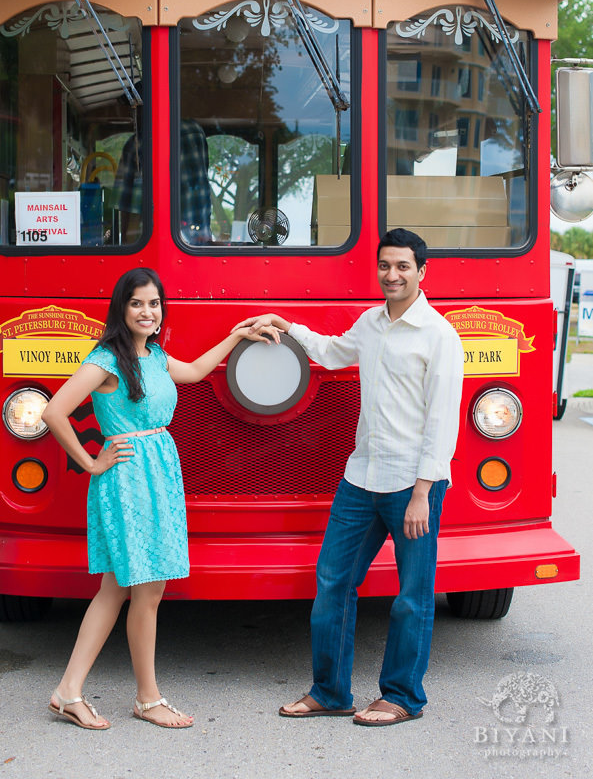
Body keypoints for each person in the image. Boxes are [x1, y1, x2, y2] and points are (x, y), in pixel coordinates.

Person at [234, 228, 464, 726]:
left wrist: (424, 492)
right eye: (385, 265)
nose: (392, 274)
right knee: (333, 581)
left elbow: (442, 420)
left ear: (422, 273)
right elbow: (332, 351)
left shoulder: (440, 336)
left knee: (412, 595)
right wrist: (284, 324)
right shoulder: (371, 323)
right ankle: (331, 692)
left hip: (412, 485)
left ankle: (402, 696)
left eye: (403, 266)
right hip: (361, 477)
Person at [43, 266, 268, 730]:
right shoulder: (107, 358)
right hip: (127, 476)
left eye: (154, 303)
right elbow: (54, 411)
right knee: (144, 588)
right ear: (121, 309)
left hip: (158, 471)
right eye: (137, 303)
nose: (147, 312)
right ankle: (146, 699)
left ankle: (70, 691)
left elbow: (196, 372)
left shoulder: (155, 355)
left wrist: (236, 335)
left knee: (122, 588)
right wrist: (90, 462)